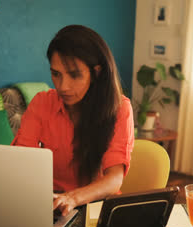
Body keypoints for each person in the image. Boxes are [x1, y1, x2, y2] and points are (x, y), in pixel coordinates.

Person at [11, 25, 134, 216]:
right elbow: (21, 162)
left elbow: (114, 180)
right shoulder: (42, 103)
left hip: (96, 209)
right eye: (56, 74)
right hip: (51, 208)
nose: (63, 87)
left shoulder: (120, 108)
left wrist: (72, 198)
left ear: (97, 73)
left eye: (75, 75)